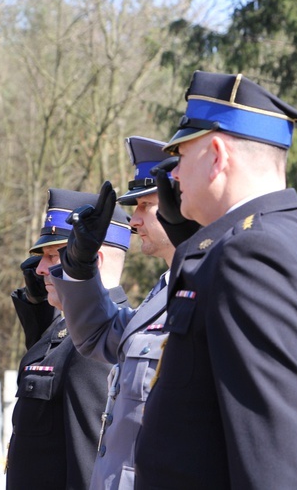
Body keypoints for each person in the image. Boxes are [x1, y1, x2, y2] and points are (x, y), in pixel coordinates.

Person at [134, 71, 297, 489]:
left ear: (217, 154)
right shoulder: (292, 237)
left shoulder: (250, 255)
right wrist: (194, 246)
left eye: (182, 156)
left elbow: (274, 460)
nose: (172, 175)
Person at [51, 137, 193, 490]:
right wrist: (79, 266)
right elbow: (97, 336)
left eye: (145, 205)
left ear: (180, 203)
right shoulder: (162, 292)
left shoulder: (207, 288)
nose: (134, 221)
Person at [6, 188, 132, 490]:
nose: (39, 269)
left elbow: (88, 462)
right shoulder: (66, 335)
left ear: (92, 260)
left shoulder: (94, 347)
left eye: (52, 256)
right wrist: (37, 309)